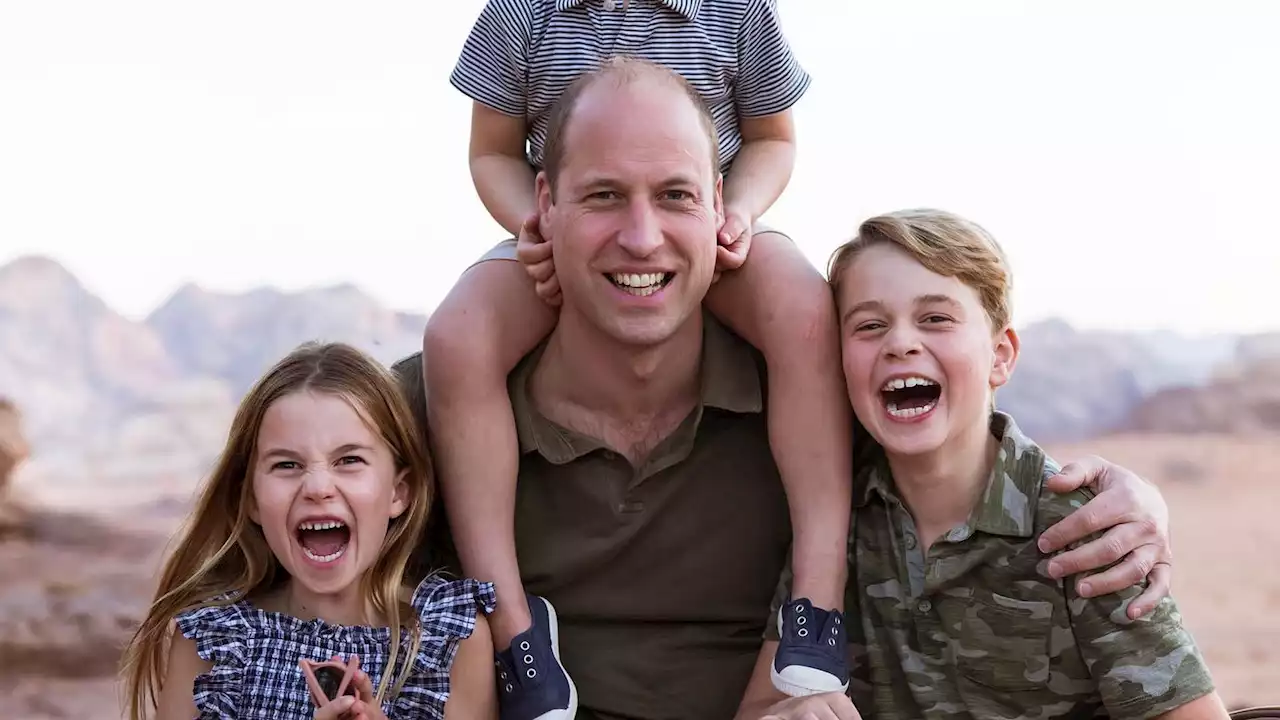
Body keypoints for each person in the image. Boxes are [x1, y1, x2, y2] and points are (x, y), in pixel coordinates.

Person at [406, 57, 1178, 720]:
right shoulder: (431, 410)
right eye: (604, 195)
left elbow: (955, 456)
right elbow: (305, 483)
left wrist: (1123, 497)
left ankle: (817, 622)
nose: (641, 237)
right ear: (544, 208)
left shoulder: (813, 397)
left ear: (717, 203)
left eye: (675, 196)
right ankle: (520, 644)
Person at [425, 0, 855, 710]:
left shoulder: (736, 10)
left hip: (715, 229)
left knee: (805, 312)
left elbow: (772, 139)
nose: (641, 234)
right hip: (561, 236)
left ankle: (817, 600)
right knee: (458, 335)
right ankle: (515, 636)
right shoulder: (521, 15)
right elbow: (491, 152)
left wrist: (736, 210)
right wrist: (534, 227)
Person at [738, 210, 1224, 720]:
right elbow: (760, 707)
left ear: (1000, 356)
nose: (900, 342)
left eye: (936, 319)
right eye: (870, 325)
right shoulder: (835, 518)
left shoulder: (1079, 526)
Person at [119, 342, 498, 720]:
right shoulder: (214, 641)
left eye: (349, 460)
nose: (318, 487)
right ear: (250, 499)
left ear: (399, 492)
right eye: (287, 465)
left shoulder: (449, 638)